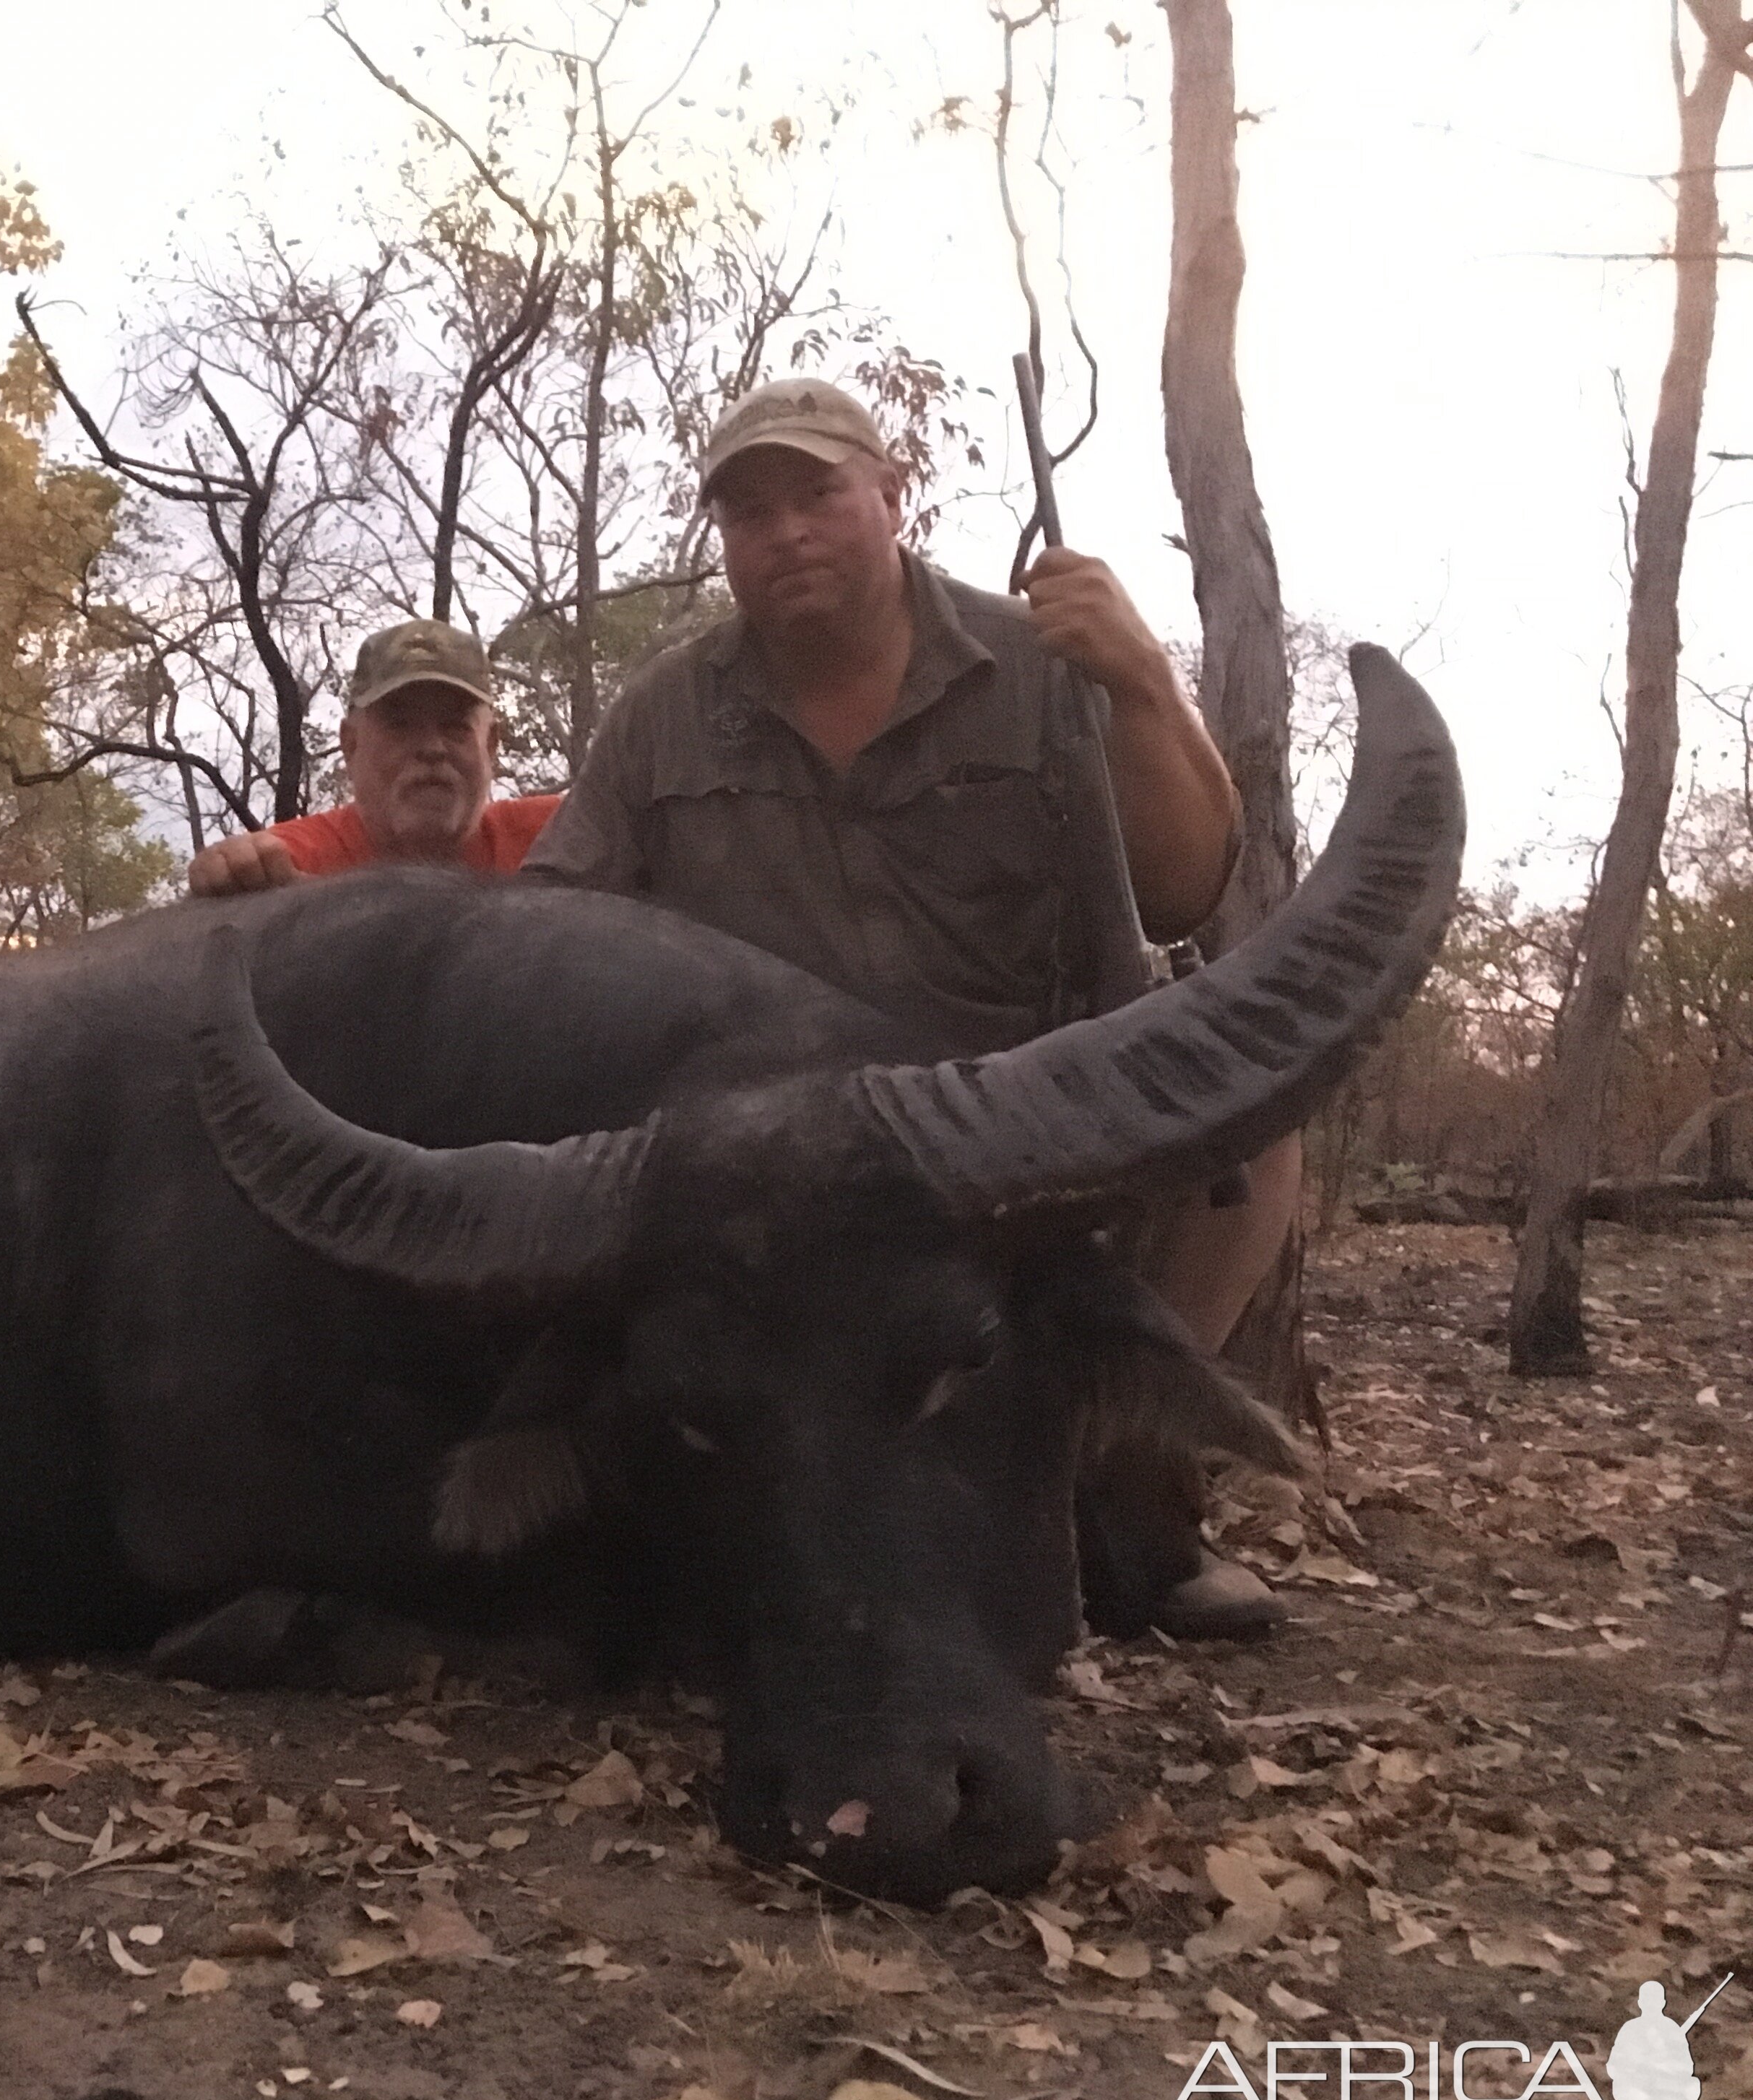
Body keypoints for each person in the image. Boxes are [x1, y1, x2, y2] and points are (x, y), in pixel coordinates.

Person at [523, 375, 1297, 1640]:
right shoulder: (663, 715)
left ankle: (1118, 1473)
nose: (784, 532)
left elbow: (1183, 887)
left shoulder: (1045, 665)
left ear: (892, 493)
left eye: (817, 493)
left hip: (1016, 1134)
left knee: (1256, 1144)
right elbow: (548, 934)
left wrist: (1145, 685)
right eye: (748, 511)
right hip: (787, 1168)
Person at [186, 620, 560, 895]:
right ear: (350, 745)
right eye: (400, 726)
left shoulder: (563, 838)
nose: (432, 748)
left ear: (491, 745)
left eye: (455, 727)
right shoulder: (283, 866)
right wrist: (227, 876)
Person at [1608, 1982, 1702, 2100]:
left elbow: (1687, 2066)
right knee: (1621, 2085)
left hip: (1664, 2088)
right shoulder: (1630, 2028)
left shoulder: (1671, 2029)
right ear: (1640, 2003)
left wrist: (1667, 2065)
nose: (1652, 2005)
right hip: (1635, 2089)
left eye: (1656, 2001)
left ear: (1663, 2003)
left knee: (1693, 2085)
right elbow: (1614, 2063)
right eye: (1647, 2001)